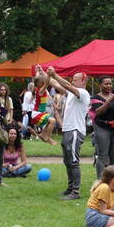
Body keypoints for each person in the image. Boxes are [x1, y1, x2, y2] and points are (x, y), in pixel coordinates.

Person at [44, 66, 90, 200]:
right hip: (68, 130)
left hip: (75, 130)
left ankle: (75, 192)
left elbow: (66, 85)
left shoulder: (83, 93)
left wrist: (55, 74)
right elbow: (57, 84)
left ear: (83, 81)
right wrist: (43, 74)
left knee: (74, 161)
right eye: (73, 80)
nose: (73, 82)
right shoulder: (71, 94)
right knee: (68, 161)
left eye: (75, 80)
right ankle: (70, 188)